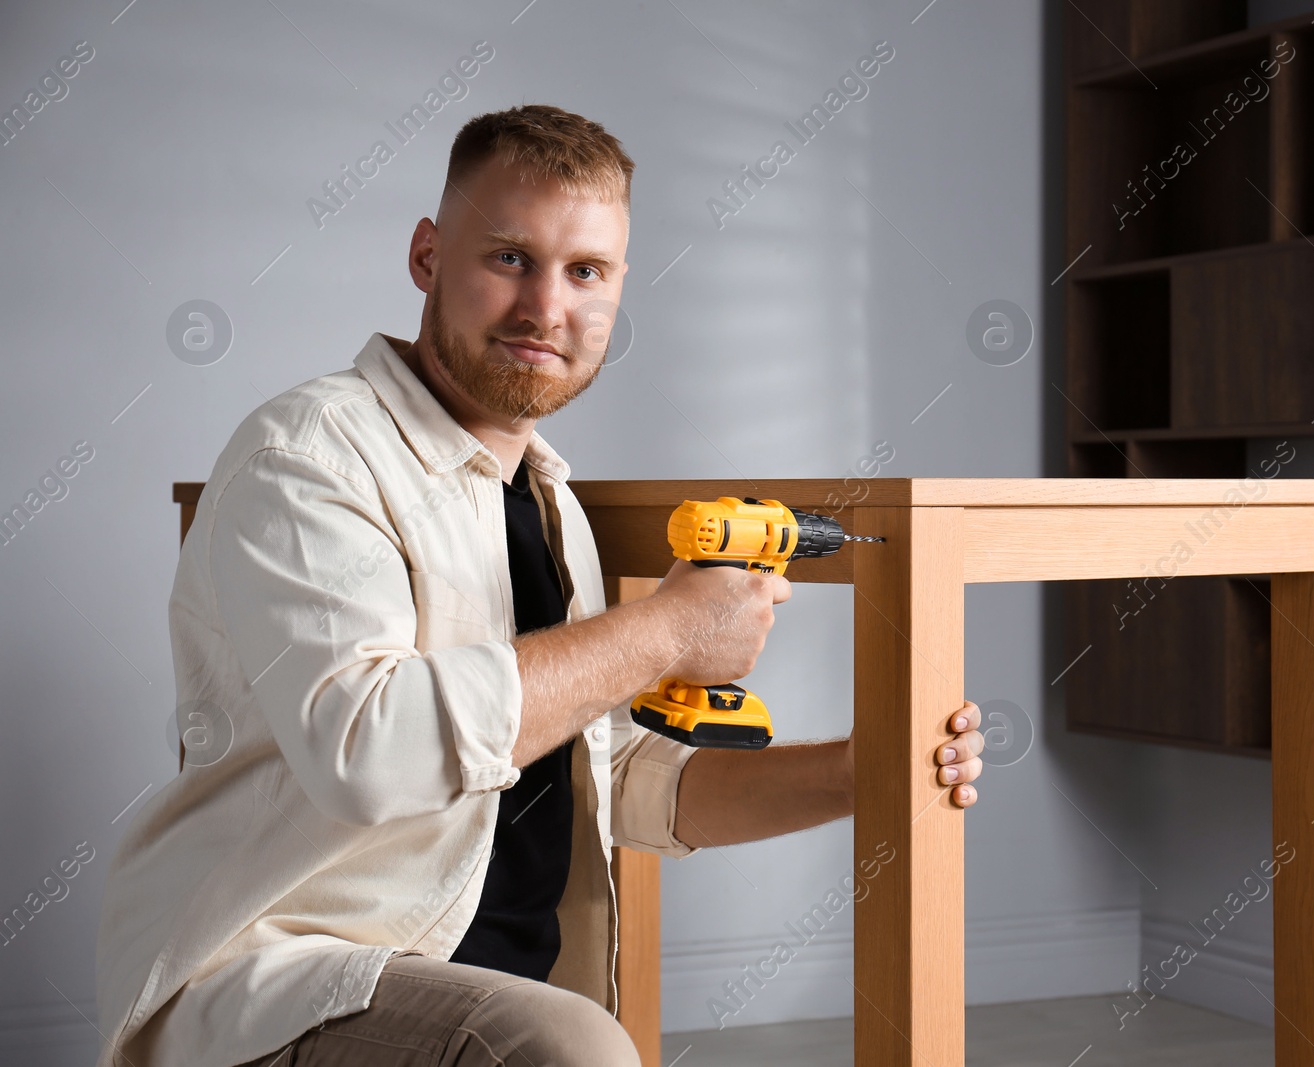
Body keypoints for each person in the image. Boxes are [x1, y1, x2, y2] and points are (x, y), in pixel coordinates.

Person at [93, 103, 985, 1067]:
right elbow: (369, 750)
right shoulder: (308, 458)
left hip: (487, 989)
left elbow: (613, 779)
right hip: (278, 987)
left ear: (617, 289)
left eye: (585, 271)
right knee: (572, 1050)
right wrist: (667, 632)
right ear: (428, 255)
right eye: (510, 257)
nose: (545, 309)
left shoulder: (546, 500)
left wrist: (859, 772)